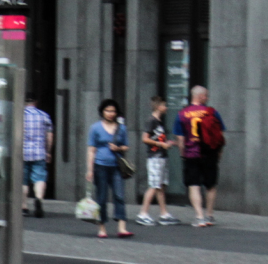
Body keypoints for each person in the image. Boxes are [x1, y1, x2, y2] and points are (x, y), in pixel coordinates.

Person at [174, 85, 225, 227]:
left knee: (194, 185)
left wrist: (182, 154)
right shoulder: (212, 113)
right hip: (210, 153)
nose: (207, 98)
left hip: (191, 154)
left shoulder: (182, 114)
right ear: (201, 96)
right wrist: (218, 154)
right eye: (206, 95)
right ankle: (209, 215)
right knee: (211, 185)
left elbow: (180, 139)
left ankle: (199, 216)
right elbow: (220, 136)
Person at [85, 98, 134, 239]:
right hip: (100, 166)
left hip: (116, 167)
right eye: (107, 110)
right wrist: (89, 169)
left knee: (119, 195)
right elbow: (91, 150)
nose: (111, 113)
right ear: (102, 111)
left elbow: (126, 146)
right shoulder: (95, 128)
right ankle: (102, 228)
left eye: (113, 111)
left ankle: (122, 228)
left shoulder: (121, 128)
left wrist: (118, 148)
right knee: (101, 197)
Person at [137, 96, 179, 226]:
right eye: (164, 105)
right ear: (158, 106)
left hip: (161, 156)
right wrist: (161, 145)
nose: (166, 107)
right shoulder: (152, 121)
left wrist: (168, 143)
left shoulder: (159, 121)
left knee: (160, 186)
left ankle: (164, 214)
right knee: (154, 185)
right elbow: (145, 138)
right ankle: (142, 214)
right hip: (155, 156)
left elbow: (158, 139)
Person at [22, 95, 53, 217]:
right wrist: (48, 151)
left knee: (22, 181)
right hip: (39, 152)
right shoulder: (44, 115)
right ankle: (38, 198)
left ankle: (23, 206)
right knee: (39, 178)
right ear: (36, 102)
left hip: (22, 153)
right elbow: (49, 136)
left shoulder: (19, 115)